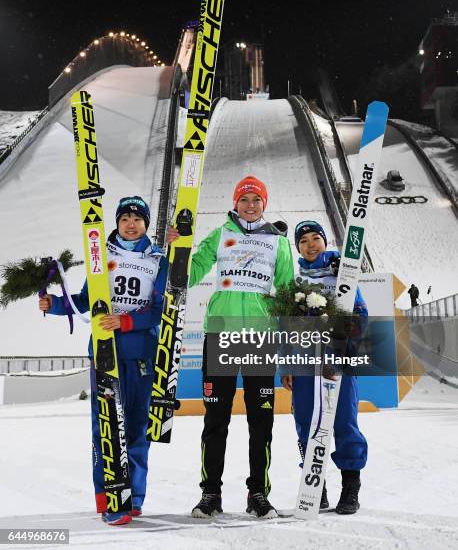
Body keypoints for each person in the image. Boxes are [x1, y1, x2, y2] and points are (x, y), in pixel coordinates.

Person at [168, 175, 294, 519]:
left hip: (259, 337)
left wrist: (291, 354)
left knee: (261, 420)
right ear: (235, 204)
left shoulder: (279, 243)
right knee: (216, 419)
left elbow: (287, 294)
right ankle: (211, 493)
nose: (250, 206)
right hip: (220, 333)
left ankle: (258, 493)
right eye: (244, 200)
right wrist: (177, 248)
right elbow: (189, 274)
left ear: (263, 204)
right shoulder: (220, 235)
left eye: (256, 200)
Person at [39, 196, 167, 526]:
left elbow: (158, 310)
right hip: (105, 352)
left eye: (138, 218)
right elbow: (84, 300)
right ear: (116, 222)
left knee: (138, 426)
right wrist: (54, 304)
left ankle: (134, 497)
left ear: (146, 224)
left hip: (141, 353)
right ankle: (110, 497)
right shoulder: (102, 256)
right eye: (125, 217)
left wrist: (125, 321)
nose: (131, 223)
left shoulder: (157, 260)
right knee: (106, 425)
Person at [281, 220, 368, 515]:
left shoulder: (342, 274)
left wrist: (347, 340)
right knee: (306, 422)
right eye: (303, 241)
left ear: (325, 240)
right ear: (297, 248)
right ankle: (315, 487)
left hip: (338, 360)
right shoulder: (295, 284)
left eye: (315, 238)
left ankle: (350, 487)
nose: (310, 244)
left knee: (344, 421)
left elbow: (361, 314)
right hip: (305, 362)